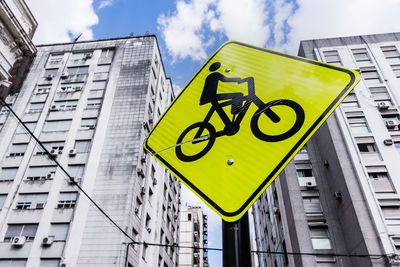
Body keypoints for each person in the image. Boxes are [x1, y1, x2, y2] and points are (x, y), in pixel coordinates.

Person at [200, 62, 251, 129]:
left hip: (209, 97)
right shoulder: (215, 74)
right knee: (238, 95)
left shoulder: (210, 76)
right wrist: (238, 79)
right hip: (210, 97)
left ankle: (229, 124)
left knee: (218, 107)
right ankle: (235, 110)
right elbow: (225, 79)